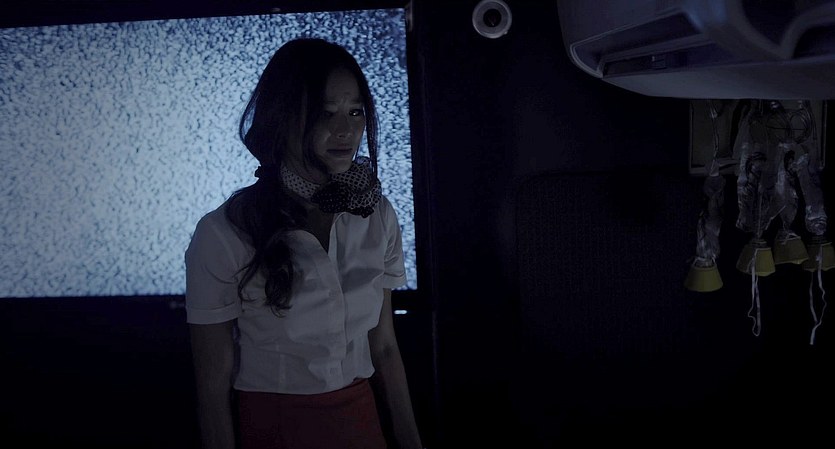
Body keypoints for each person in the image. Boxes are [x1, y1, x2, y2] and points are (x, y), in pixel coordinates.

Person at [185, 38, 424, 449]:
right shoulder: (224, 233)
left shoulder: (377, 214)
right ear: (283, 117)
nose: (345, 130)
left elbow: (384, 347)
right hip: (276, 428)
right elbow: (212, 386)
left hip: (362, 422)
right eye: (325, 113)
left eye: (355, 112)